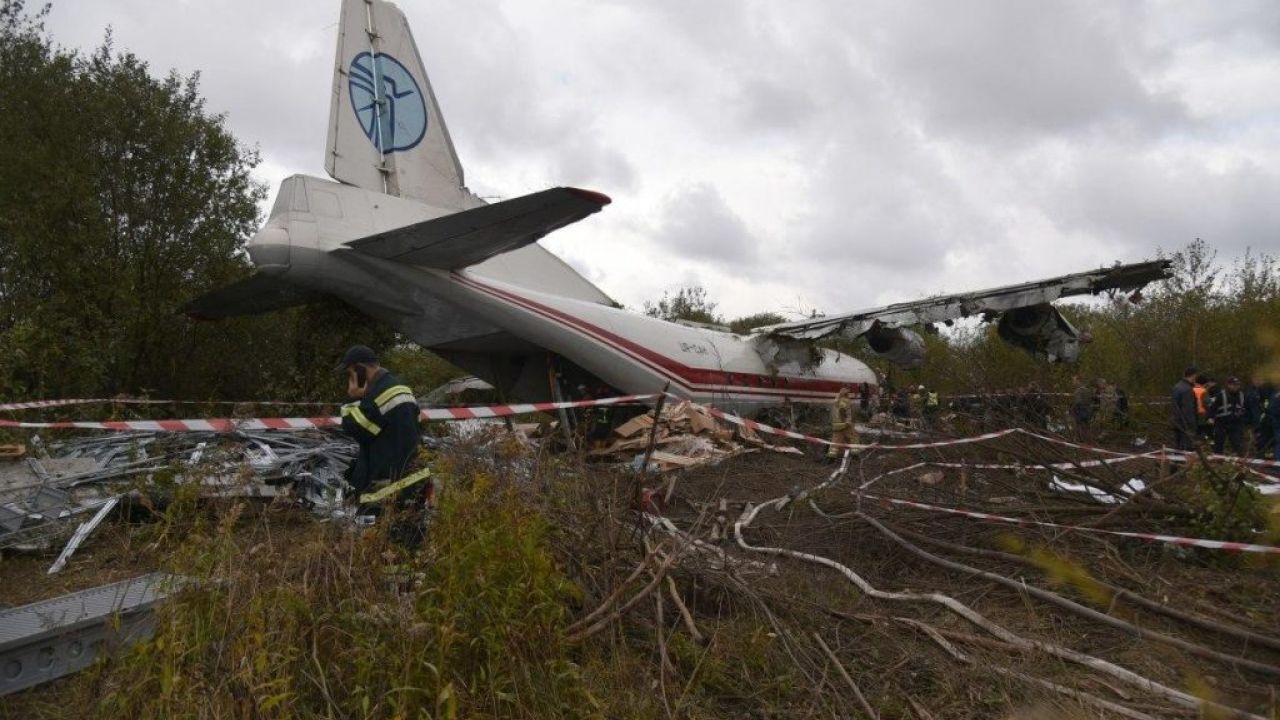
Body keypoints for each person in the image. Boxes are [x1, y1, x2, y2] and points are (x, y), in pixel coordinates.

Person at [337, 345, 430, 540]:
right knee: (411, 534)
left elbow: (357, 428)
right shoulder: (398, 387)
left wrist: (353, 398)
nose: (350, 381)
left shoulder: (378, 395)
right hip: (412, 476)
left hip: (390, 483)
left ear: (360, 370)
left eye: (350, 374)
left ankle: (396, 570)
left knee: (390, 540)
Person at [1208, 377, 1248, 455]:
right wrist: (1210, 417)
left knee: (1237, 444)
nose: (1235, 387)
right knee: (1219, 444)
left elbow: (1246, 408)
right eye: (1233, 385)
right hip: (1221, 423)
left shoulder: (1242, 395)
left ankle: (1240, 463)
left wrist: (1246, 420)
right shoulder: (1220, 395)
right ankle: (1218, 460)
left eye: (1237, 385)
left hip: (1236, 424)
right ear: (1228, 385)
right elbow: (1213, 408)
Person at [1171, 366, 1199, 451]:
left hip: (1176, 421)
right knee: (1187, 448)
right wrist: (1192, 425)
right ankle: (1183, 463)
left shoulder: (1177, 386)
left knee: (1178, 446)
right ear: (1193, 375)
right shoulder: (1187, 389)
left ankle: (1176, 462)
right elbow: (1188, 409)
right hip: (1185, 423)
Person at [828, 386, 858, 461]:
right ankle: (855, 455)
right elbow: (845, 412)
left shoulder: (836, 401)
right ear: (847, 394)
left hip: (836, 425)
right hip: (845, 424)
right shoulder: (846, 401)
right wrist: (848, 422)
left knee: (835, 441)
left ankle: (831, 457)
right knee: (854, 437)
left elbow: (834, 414)